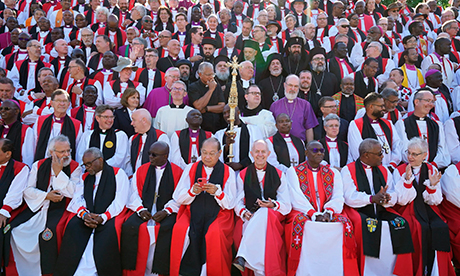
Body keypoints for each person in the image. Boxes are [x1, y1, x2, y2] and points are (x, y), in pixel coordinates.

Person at [341, 138, 414, 276]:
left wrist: (386, 198)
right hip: (359, 210)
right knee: (367, 224)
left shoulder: (384, 170)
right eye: (379, 153)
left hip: (382, 209)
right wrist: (371, 199)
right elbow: (349, 196)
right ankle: (366, 271)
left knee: (402, 223)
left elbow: (393, 193)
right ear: (366, 155)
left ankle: (397, 271)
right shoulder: (348, 170)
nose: (383, 156)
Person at [11, 135, 81, 275]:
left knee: (50, 234)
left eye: (68, 150)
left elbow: (74, 192)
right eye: (62, 152)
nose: (66, 155)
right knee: (14, 229)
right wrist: (46, 196)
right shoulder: (39, 165)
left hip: (62, 209)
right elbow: (28, 190)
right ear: (52, 152)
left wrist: (58, 172)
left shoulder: (75, 166)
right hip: (39, 205)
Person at [285, 140, 357, 276]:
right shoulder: (293, 172)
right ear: (306, 153)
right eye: (315, 150)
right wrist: (313, 214)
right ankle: (304, 271)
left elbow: (338, 196)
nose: (319, 153)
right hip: (304, 211)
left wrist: (328, 212)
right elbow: (296, 197)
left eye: (322, 151)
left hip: (327, 213)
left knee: (345, 224)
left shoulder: (333, 173)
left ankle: (335, 271)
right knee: (300, 223)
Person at [54, 147, 129, 276]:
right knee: (72, 227)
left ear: (100, 160)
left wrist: (103, 217)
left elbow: (120, 200)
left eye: (89, 164)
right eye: (85, 164)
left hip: (108, 217)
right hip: (88, 216)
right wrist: (84, 215)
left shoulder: (118, 174)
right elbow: (78, 199)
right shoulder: (85, 177)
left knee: (108, 235)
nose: (87, 167)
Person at [170, 137, 236, 276]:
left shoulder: (227, 171)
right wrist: (192, 191)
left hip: (219, 214)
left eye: (212, 153)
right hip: (192, 212)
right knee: (181, 229)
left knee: (214, 233)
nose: (207, 157)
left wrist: (217, 193)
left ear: (219, 153)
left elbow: (230, 203)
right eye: (204, 152)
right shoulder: (191, 168)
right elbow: (178, 197)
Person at [393, 137, 454, 276]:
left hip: (428, 208)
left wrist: (432, 186)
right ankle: (416, 270)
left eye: (415, 154)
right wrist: (407, 182)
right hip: (408, 208)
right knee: (417, 227)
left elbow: (436, 200)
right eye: (409, 153)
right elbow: (401, 200)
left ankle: (437, 271)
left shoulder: (431, 169)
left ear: (424, 155)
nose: (410, 157)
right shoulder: (400, 170)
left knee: (441, 227)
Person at [121, 141, 183, 276]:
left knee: (169, 228)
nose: (150, 157)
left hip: (166, 210)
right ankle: (134, 271)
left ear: (166, 156)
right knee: (129, 226)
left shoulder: (177, 172)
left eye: (154, 155)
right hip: (144, 209)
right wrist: (140, 209)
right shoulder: (141, 170)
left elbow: (178, 198)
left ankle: (159, 272)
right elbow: (133, 194)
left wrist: (166, 211)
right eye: (149, 154)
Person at [233, 140, 291, 275]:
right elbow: (238, 201)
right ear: (251, 154)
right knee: (259, 225)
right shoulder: (243, 174)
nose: (260, 154)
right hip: (251, 216)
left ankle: (243, 255)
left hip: (274, 216)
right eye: (257, 151)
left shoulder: (279, 174)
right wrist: (244, 213)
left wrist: (273, 205)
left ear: (268, 153)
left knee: (265, 211)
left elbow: (286, 205)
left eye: (263, 151)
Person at [395, 90, 451, 169]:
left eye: (432, 101)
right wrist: (418, 165)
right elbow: (403, 150)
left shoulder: (437, 125)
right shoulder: (402, 124)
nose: (431, 105)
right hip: (410, 170)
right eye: (428, 101)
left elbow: (443, 151)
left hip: (433, 170)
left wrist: (431, 166)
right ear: (417, 102)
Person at [348, 92, 401, 170]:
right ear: (371, 107)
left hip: (389, 170)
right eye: (381, 106)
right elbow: (357, 151)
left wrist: (392, 164)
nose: (384, 108)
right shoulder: (356, 124)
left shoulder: (388, 123)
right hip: (366, 170)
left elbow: (397, 145)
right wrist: (377, 167)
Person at [0, 138, 30, 274]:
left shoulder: (20, 168)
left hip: (9, 209)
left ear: (8, 154)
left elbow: (15, 193)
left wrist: (4, 211)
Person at [33, 89, 83, 162]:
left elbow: (78, 149)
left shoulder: (76, 124)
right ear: (51, 103)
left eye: (65, 101)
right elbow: (34, 144)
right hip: (43, 163)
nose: (62, 104)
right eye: (58, 101)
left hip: (65, 164)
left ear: (69, 104)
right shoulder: (41, 120)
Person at [76, 105, 129, 170]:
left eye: (111, 117)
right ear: (97, 118)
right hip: (90, 172)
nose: (110, 120)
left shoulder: (120, 135)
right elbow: (80, 156)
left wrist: (100, 167)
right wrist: (89, 167)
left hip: (111, 173)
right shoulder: (87, 135)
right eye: (106, 117)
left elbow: (120, 158)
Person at [270, 74, 318, 142]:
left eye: (296, 86)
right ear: (284, 85)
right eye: (290, 85)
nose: (293, 89)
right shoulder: (275, 105)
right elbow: (271, 128)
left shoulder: (305, 105)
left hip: (300, 144)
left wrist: (310, 146)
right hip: (280, 144)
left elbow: (309, 128)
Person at [215, 105, 263, 172]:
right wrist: (226, 147)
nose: (226, 115)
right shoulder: (219, 134)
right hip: (227, 173)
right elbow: (215, 154)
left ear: (238, 112)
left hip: (248, 172)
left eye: (229, 112)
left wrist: (241, 164)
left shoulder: (253, 130)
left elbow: (260, 150)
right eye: (224, 113)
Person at [128, 109, 170, 176]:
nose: (131, 123)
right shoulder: (132, 139)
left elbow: (166, 161)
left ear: (144, 120)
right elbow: (128, 162)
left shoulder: (160, 137)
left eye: (134, 120)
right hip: (135, 178)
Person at [188, 62, 226, 133]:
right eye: (208, 75)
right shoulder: (193, 87)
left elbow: (222, 107)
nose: (211, 77)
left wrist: (207, 109)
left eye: (212, 74)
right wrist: (211, 90)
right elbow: (198, 106)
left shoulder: (217, 86)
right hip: (201, 126)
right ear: (200, 75)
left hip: (217, 125)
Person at [0, 100, 35, 167]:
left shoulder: (26, 130)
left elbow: (28, 157)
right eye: (1, 109)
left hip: (16, 170)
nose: (2, 111)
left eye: (7, 108)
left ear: (16, 111)